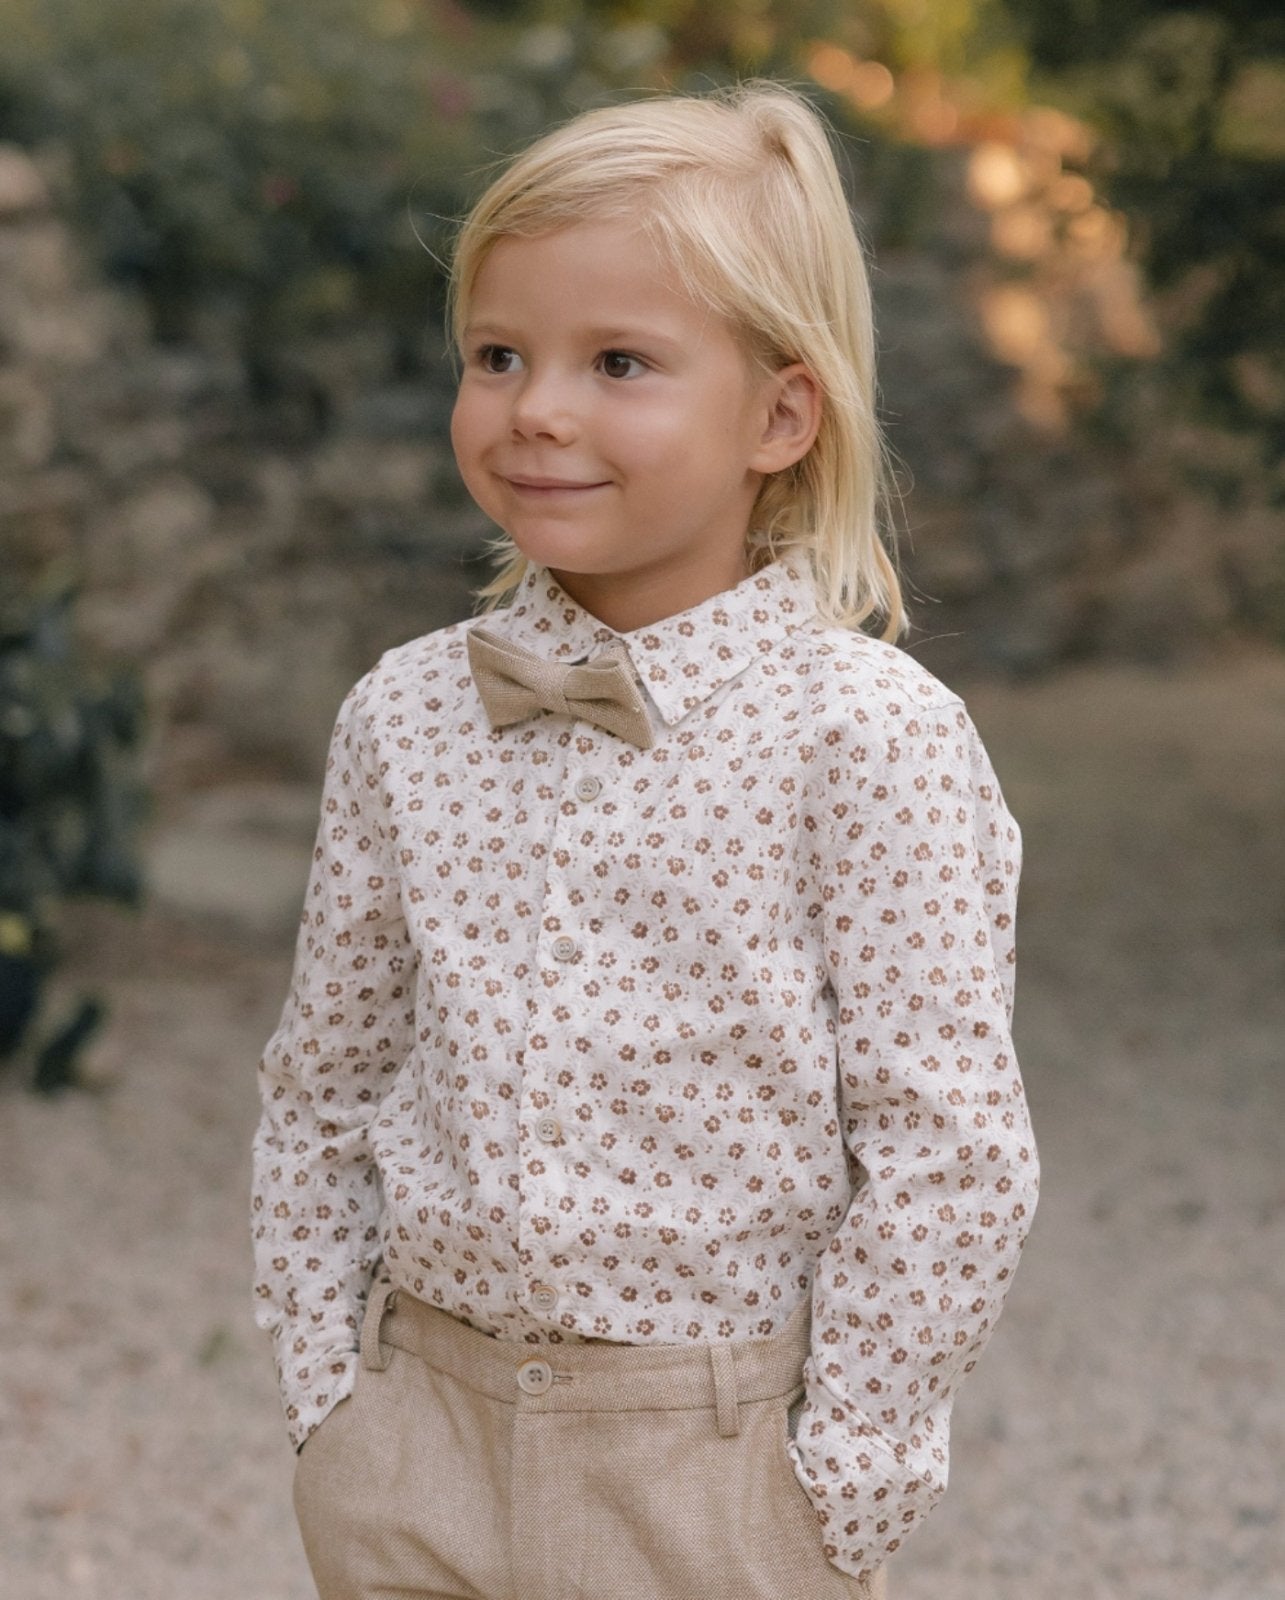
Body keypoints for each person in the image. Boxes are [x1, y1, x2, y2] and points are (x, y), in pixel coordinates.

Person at [250, 80, 1039, 1600]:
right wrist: (329, 1402)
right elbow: (326, 1077)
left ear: (779, 416)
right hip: (420, 1435)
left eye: (619, 362)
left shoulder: (869, 738)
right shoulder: (402, 714)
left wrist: (842, 1477)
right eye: (498, 355)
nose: (537, 408)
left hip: (715, 1468)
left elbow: (946, 1146)